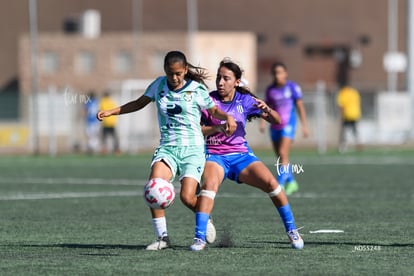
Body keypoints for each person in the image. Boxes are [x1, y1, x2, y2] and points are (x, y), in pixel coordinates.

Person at [97, 51, 236, 250]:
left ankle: (204, 216)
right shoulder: (158, 85)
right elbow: (139, 103)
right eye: (170, 73)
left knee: (187, 197)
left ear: (185, 70)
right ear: (165, 71)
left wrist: (227, 117)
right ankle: (163, 238)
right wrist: (112, 111)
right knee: (153, 186)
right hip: (167, 148)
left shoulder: (196, 89)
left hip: (192, 149)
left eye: (178, 73)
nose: (174, 78)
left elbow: (213, 110)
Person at [190, 58, 304, 251]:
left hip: (242, 156)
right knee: (209, 186)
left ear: (236, 81)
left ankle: (292, 230)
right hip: (215, 156)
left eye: (226, 78)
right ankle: (199, 238)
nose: (220, 82)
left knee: (272, 184)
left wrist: (267, 109)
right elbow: (196, 130)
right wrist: (217, 128)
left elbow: (277, 121)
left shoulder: (246, 100)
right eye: (219, 77)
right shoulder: (208, 100)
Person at [259, 62, 309, 195]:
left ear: (285, 73)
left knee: (283, 153)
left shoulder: (292, 87)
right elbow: (266, 107)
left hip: (288, 125)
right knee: (280, 156)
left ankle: (279, 184)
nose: (278, 75)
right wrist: (263, 123)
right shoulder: (270, 89)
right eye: (275, 73)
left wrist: (304, 125)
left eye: (280, 72)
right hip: (274, 126)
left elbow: (300, 106)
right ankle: (292, 182)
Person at [336, 84, 362, 153]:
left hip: (347, 114)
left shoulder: (343, 93)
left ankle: (343, 146)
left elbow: (342, 105)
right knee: (354, 130)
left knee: (344, 130)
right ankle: (358, 142)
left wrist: (341, 115)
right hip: (355, 114)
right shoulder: (354, 92)